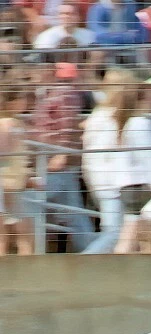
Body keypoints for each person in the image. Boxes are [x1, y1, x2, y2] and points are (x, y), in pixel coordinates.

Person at [81, 69, 151, 253]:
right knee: (116, 234)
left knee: (132, 233)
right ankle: (84, 265)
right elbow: (101, 156)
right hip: (112, 184)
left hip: (114, 183)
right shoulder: (107, 118)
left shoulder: (111, 116)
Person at [30, 53, 95, 252]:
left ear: (49, 70)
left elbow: (68, 123)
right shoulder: (45, 93)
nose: (32, 73)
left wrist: (63, 153)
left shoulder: (63, 92)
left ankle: (92, 250)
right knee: (73, 212)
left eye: (36, 69)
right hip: (49, 159)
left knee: (30, 199)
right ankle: (91, 251)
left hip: (57, 160)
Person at [0, 85, 34, 255]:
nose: (25, 102)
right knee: (16, 233)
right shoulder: (6, 124)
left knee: (20, 232)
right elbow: (3, 156)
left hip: (14, 183)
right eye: (21, 98)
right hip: (7, 184)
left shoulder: (16, 123)